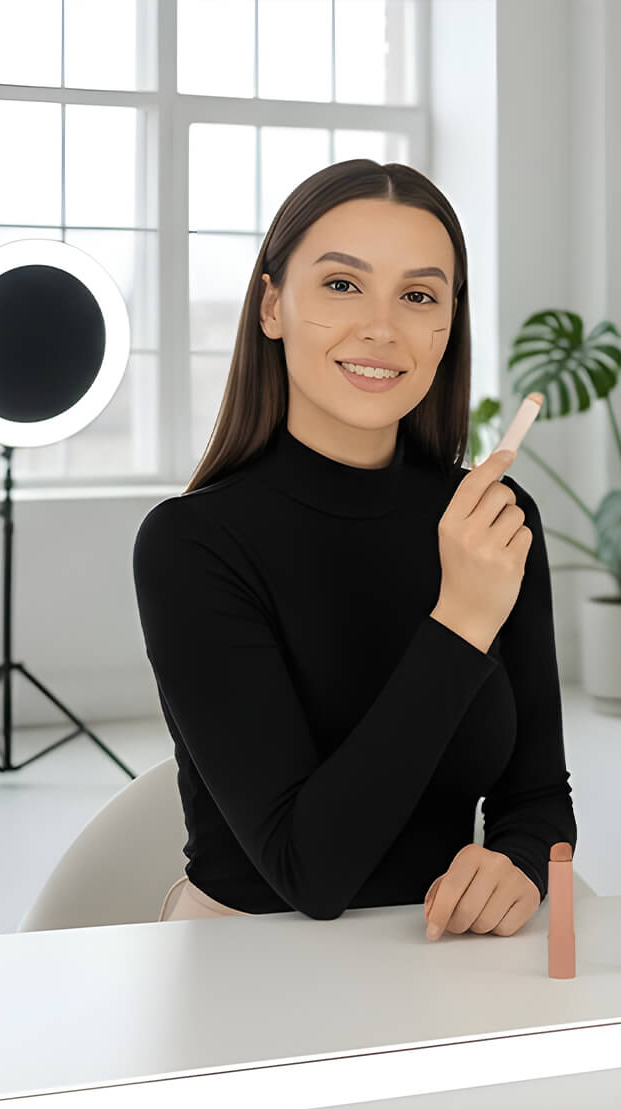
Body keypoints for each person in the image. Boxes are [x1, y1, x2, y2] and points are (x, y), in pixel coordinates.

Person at [133, 159, 576, 940]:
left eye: (418, 295)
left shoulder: (496, 520)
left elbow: (536, 796)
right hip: (250, 963)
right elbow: (312, 871)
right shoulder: (190, 544)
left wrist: (517, 862)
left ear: (448, 324)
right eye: (342, 285)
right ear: (271, 304)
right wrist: (461, 620)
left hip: (447, 958)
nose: (381, 328)